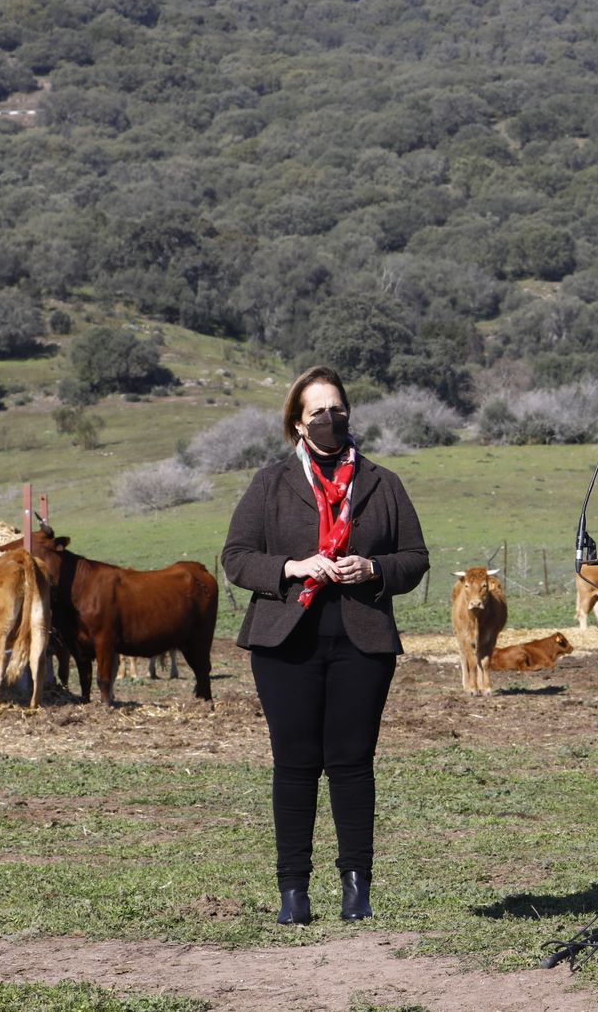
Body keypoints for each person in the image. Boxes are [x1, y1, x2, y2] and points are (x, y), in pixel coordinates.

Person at [221, 366, 429, 926]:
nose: (330, 420)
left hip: (362, 641)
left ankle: (356, 888)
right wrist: (290, 566)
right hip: (284, 641)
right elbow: (236, 557)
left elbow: (415, 557)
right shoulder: (270, 484)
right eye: (317, 412)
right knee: (294, 764)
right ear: (297, 423)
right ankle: (294, 891)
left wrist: (374, 567)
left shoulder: (382, 484)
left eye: (337, 410)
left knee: (352, 764)